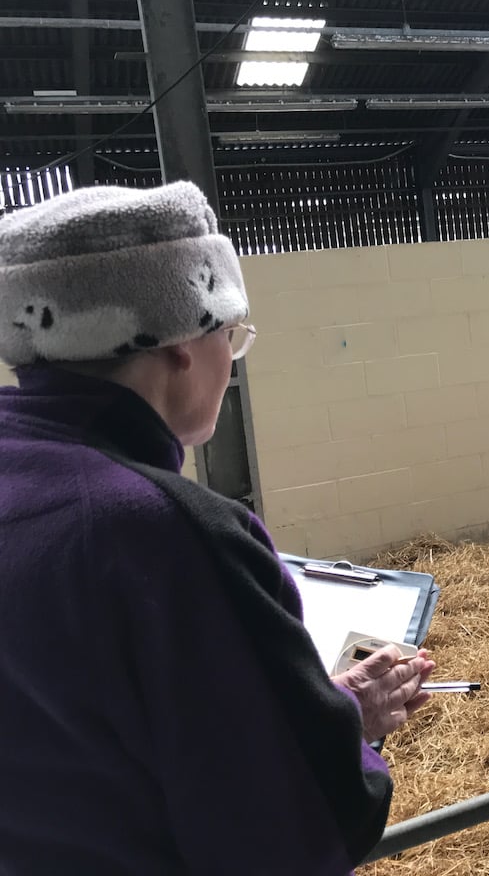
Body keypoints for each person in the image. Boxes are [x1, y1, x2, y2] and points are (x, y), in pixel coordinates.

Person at [0, 182, 434, 875]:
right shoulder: (164, 533)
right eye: (229, 334)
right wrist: (335, 734)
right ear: (180, 342)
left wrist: (311, 710)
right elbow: (291, 827)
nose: (229, 357)